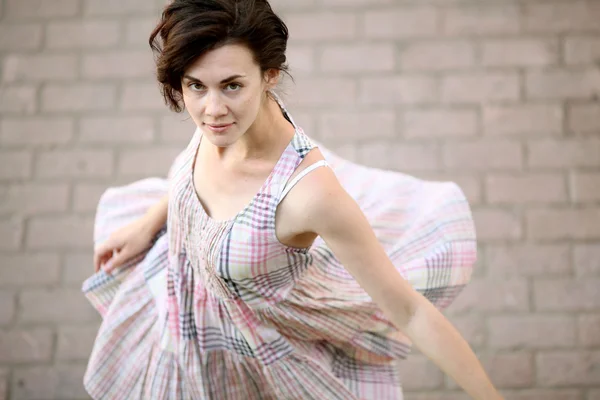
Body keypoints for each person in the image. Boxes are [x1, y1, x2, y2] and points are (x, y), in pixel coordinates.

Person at [82, 0, 502, 398]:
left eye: (232, 85)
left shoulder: (309, 195)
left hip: (259, 347)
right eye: (195, 85)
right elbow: (191, 176)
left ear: (270, 75)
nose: (211, 110)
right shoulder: (225, 123)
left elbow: (410, 312)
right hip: (189, 313)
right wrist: (152, 223)